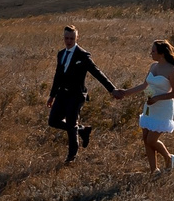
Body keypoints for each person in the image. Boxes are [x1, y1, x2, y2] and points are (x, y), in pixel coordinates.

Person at [47, 24, 124, 162]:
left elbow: (97, 73)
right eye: (66, 38)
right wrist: (52, 95)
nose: (69, 41)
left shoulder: (83, 56)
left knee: (71, 124)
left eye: (71, 38)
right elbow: (57, 76)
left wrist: (112, 89)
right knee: (53, 121)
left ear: (77, 38)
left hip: (76, 95)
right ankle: (81, 130)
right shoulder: (61, 54)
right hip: (62, 94)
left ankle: (71, 156)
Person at [137, 38, 174, 173]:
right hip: (150, 106)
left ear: (161, 53)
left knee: (152, 139)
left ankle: (169, 158)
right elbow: (144, 85)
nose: (151, 53)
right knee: (146, 138)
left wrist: (157, 98)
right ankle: (154, 170)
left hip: (163, 108)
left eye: (153, 51)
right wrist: (124, 93)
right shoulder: (153, 67)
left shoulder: (172, 70)